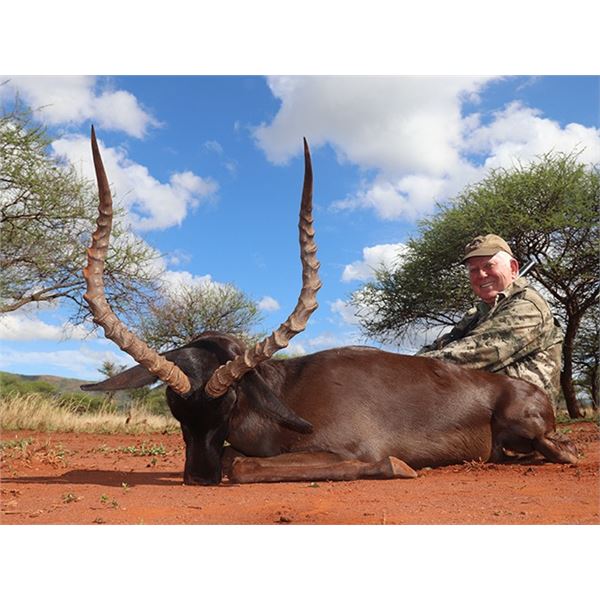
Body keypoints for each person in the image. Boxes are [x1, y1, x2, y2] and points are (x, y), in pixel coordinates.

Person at [417, 234, 564, 402]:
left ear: (513, 268)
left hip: (519, 411)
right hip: (475, 404)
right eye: (473, 270)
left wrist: (404, 369)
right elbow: (441, 345)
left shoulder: (528, 306)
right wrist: (405, 363)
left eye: (489, 265)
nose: (481, 274)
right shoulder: (477, 313)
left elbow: (470, 353)